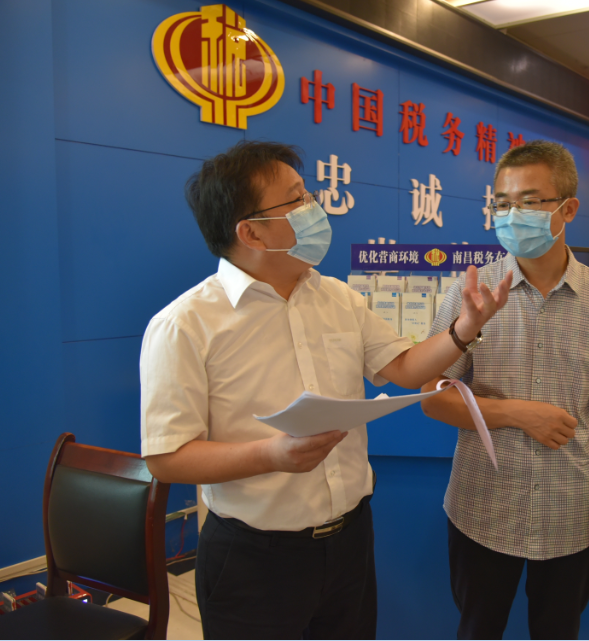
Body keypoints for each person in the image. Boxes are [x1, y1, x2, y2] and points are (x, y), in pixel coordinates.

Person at [139, 141, 511, 640]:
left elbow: (403, 368)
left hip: (350, 540)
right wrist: (271, 455)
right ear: (250, 231)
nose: (315, 207)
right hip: (254, 559)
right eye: (297, 199)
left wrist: (464, 329)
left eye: (309, 194)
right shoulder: (184, 325)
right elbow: (167, 458)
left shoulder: (337, 296)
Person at [420, 139, 589, 640]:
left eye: (528, 201)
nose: (511, 215)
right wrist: (516, 413)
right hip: (482, 505)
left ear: (568, 209)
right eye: (502, 203)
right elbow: (432, 397)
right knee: (477, 630)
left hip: (569, 510)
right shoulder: (471, 293)